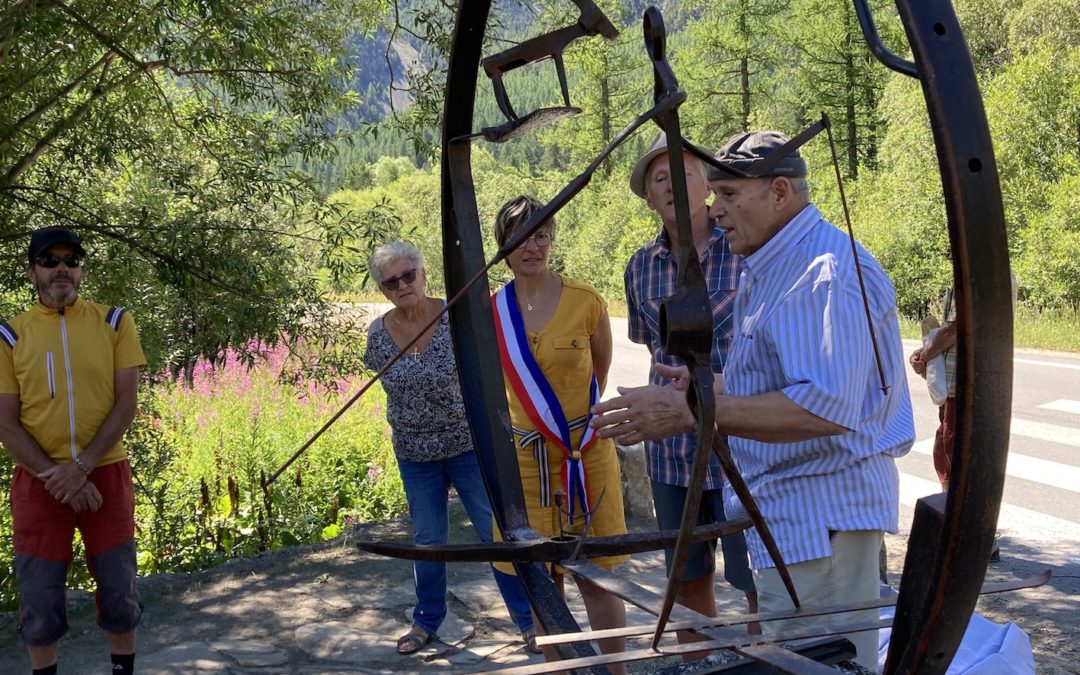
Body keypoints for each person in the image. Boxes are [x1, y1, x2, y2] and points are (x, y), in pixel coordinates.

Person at [592, 131, 915, 671]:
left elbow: (824, 407)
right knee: (791, 659)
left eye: (728, 195)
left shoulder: (824, 272)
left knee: (822, 664)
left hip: (820, 525)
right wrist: (706, 388)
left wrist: (694, 411)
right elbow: (792, 382)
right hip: (794, 522)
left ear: (780, 191)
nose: (714, 211)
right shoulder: (777, 265)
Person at [362, 241, 540, 656]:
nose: (402, 285)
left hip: (467, 448)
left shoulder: (456, 316)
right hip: (414, 454)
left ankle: (530, 620)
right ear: (383, 290)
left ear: (424, 275)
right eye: (391, 282)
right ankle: (426, 622)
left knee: (494, 535)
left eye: (409, 275)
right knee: (428, 541)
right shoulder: (378, 336)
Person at [625, 133, 758, 649]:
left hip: (740, 438)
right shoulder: (640, 268)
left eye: (683, 173)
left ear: (707, 184)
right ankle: (698, 663)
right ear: (649, 197)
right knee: (686, 574)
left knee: (755, 576)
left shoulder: (744, 246)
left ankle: (763, 663)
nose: (673, 185)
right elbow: (649, 346)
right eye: (661, 178)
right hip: (672, 451)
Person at [491, 196, 628, 672]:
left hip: (583, 456)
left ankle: (617, 671)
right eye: (520, 236)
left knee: (597, 577)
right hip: (527, 465)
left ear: (552, 240)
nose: (533, 246)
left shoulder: (586, 301)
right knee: (544, 587)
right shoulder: (492, 313)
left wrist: (570, 432)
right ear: (503, 245)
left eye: (542, 234)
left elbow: (601, 371)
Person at [0, 227, 145, 675]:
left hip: (106, 472)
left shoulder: (115, 322)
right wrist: (59, 476)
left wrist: (81, 468)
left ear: (81, 269)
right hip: (38, 480)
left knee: (119, 589)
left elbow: (127, 402)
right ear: (32, 272)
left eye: (70, 259)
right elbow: (4, 421)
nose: (60, 267)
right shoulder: (8, 335)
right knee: (41, 597)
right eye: (49, 260)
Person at [909, 287, 958, 492]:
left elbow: (953, 330)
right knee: (945, 439)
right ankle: (949, 500)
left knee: (953, 443)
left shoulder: (973, 276)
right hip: (954, 384)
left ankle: (953, 506)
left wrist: (926, 356)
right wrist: (925, 353)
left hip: (960, 383)